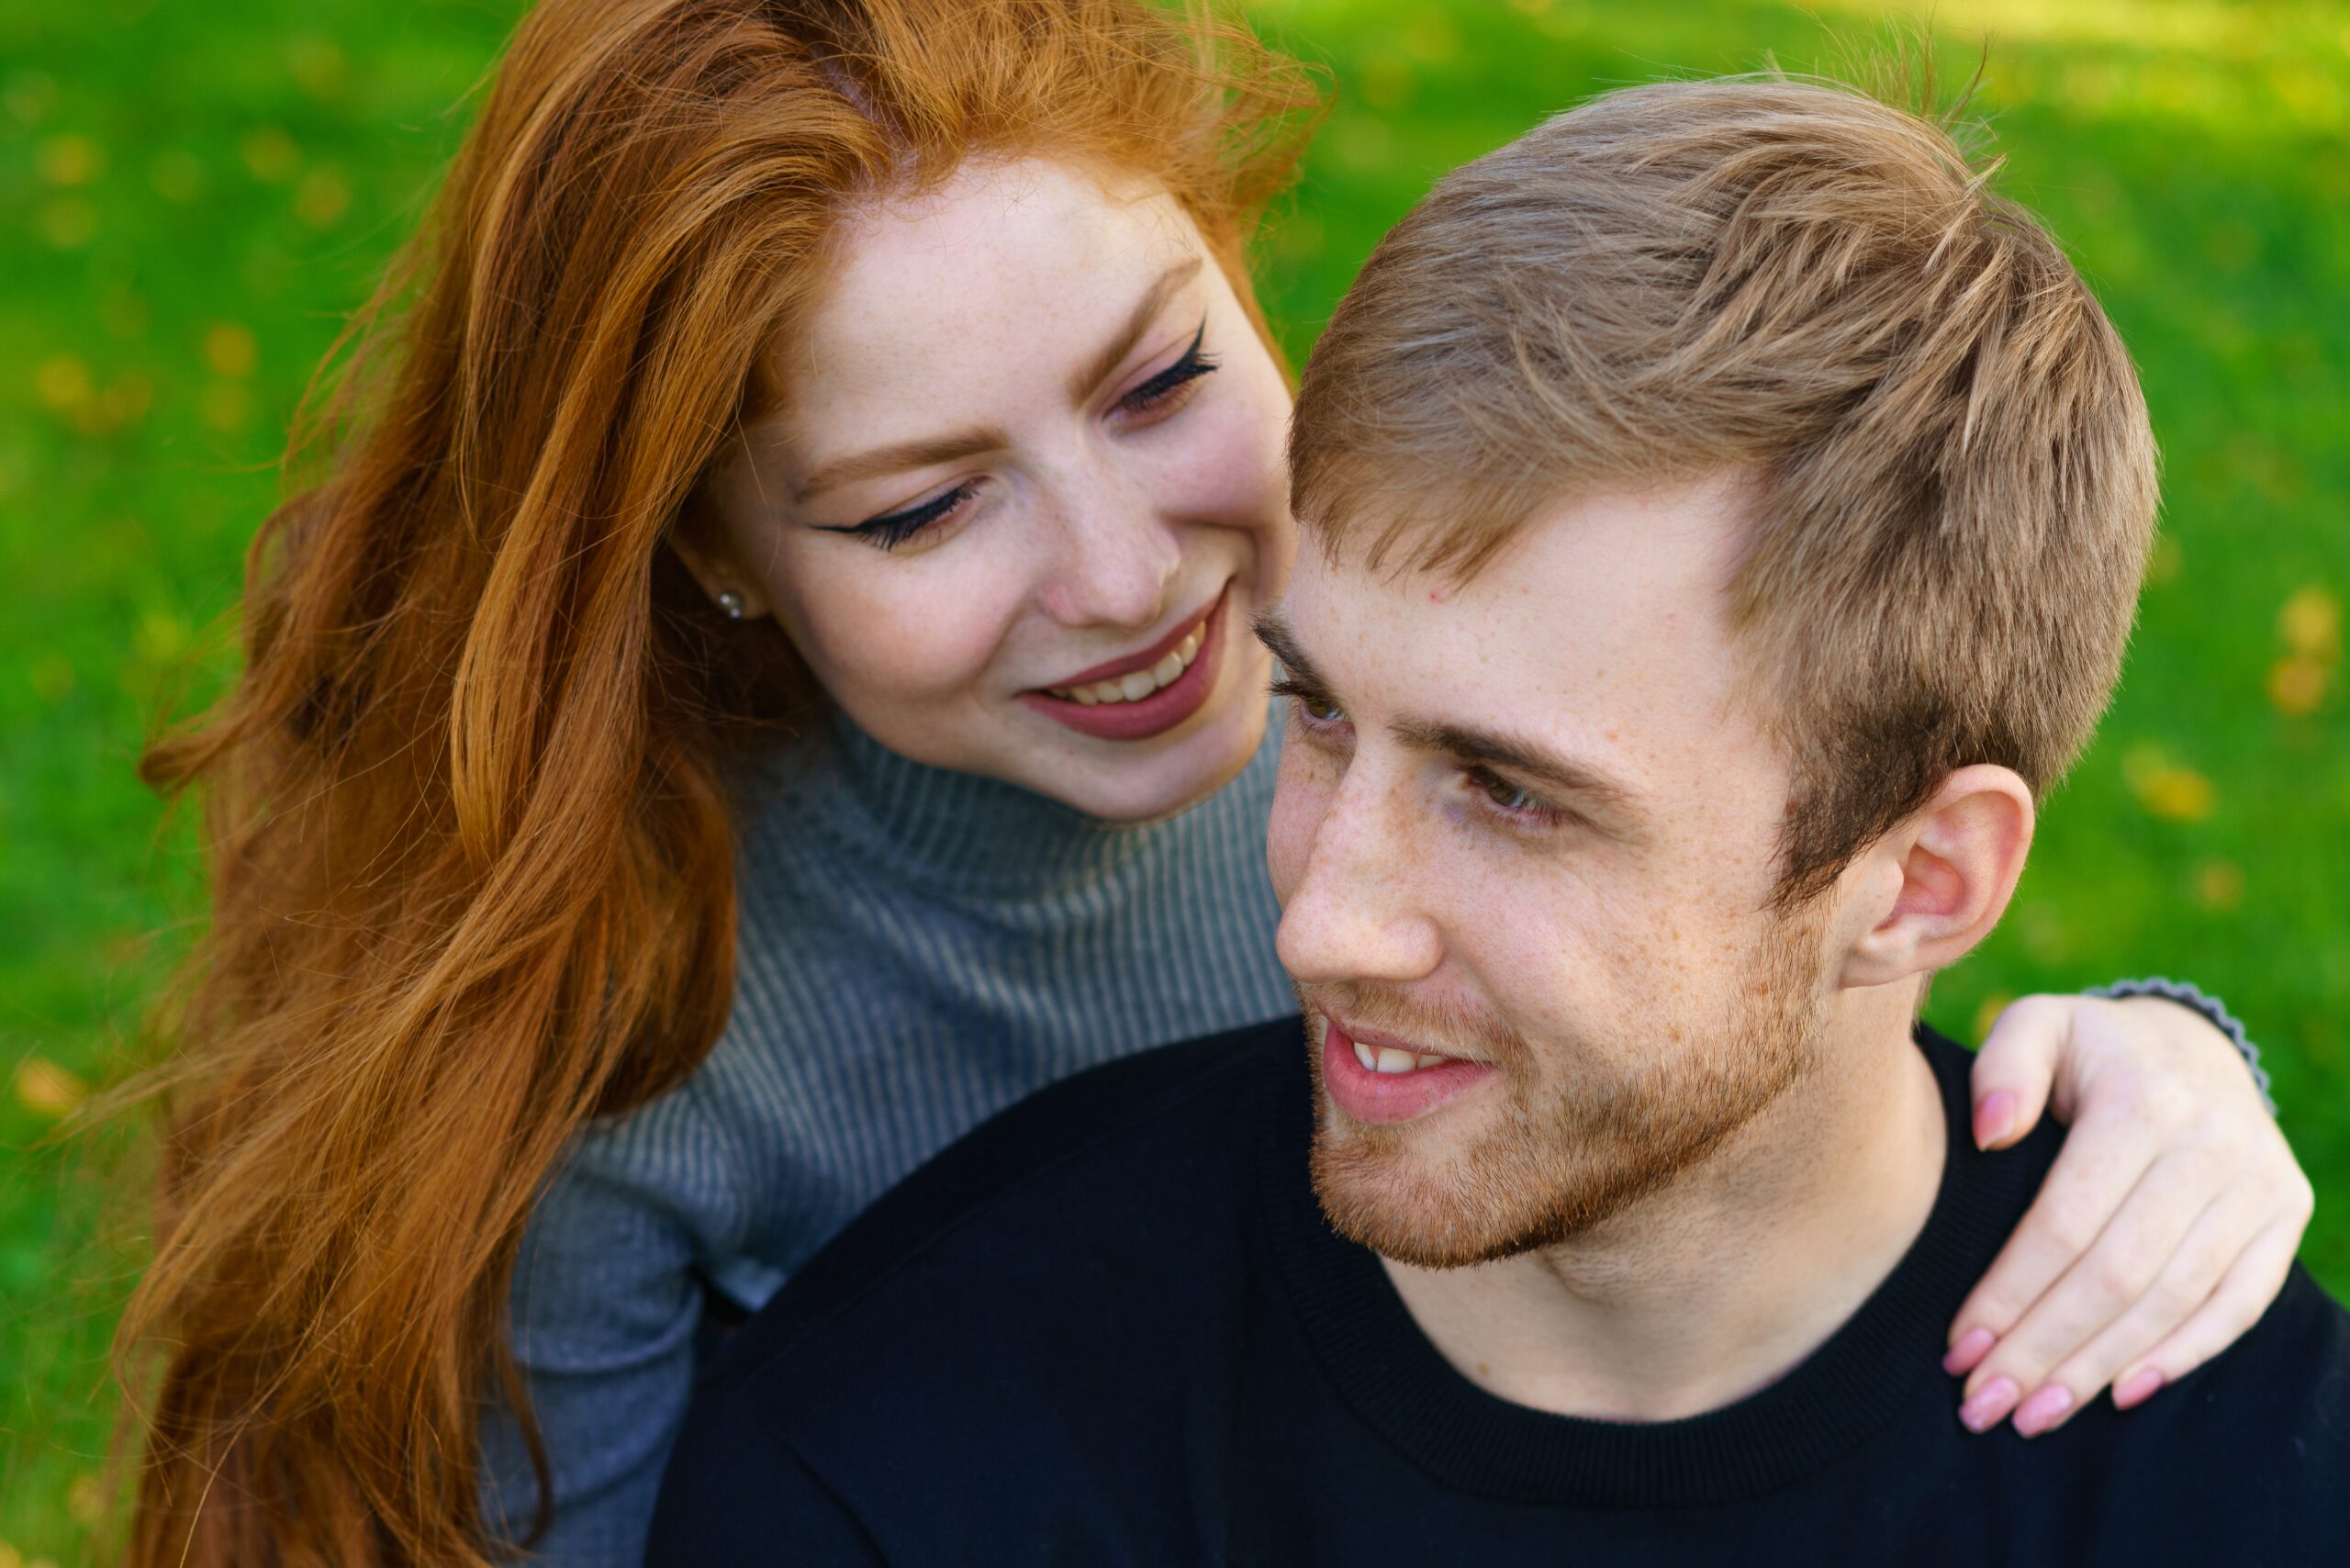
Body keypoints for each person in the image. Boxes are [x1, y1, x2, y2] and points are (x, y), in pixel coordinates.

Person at [116, 5, 2305, 1565]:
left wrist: (2152, 1067)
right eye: (915, 509)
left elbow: (1745, 846)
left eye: (1157, 377)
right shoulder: (632, 1042)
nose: (1129, 574)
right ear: (716, 558)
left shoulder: (1418, 591)